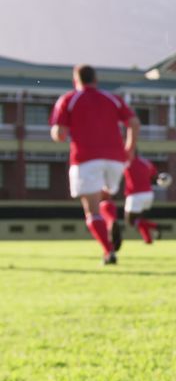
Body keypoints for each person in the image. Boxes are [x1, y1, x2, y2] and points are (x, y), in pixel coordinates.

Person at [50, 64, 140, 265]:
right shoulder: (113, 98)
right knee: (105, 197)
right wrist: (130, 148)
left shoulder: (69, 99)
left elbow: (60, 133)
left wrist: (56, 133)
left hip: (86, 159)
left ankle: (109, 253)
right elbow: (134, 123)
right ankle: (111, 220)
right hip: (116, 160)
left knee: (91, 210)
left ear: (76, 80)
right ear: (95, 80)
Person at [122, 153, 161, 244]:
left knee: (130, 221)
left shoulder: (126, 162)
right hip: (148, 194)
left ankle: (154, 226)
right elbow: (155, 175)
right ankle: (148, 240)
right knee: (139, 219)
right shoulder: (146, 162)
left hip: (135, 194)